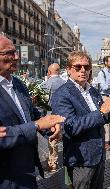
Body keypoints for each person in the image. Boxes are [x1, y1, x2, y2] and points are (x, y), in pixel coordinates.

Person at [51, 51, 110, 189]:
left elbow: (102, 119)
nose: (83, 70)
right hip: (81, 159)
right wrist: (102, 111)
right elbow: (71, 127)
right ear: (68, 70)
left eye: (87, 67)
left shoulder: (92, 91)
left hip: (99, 155)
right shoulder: (62, 94)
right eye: (78, 67)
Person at [0, 35, 64, 189]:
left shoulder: (17, 82)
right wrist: (36, 125)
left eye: (15, 52)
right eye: (9, 53)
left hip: (28, 170)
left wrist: (49, 126)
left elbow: (30, 112)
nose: (16, 57)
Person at [41, 63, 66, 172]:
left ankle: (53, 164)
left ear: (49, 72)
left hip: (51, 118)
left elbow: (42, 103)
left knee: (53, 141)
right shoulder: (65, 83)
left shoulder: (45, 84)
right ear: (59, 71)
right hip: (65, 117)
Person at [93, 55, 110, 149]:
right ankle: (106, 142)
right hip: (105, 97)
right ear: (106, 63)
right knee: (106, 120)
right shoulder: (101, 73)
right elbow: (103, 86)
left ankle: (108, 139)